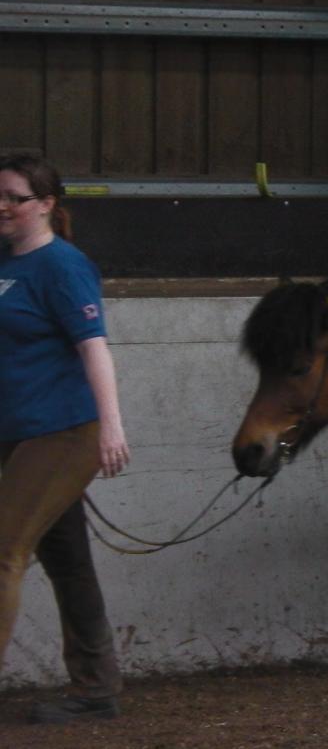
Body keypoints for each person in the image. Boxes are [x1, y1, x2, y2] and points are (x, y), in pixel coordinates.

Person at [0, 154, 129, 724]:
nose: (1, 207)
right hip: (17, 431)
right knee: (67, 556)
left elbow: (93, 348)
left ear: (47, 205)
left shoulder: (63, 266)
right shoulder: (7, 262)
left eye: (14, 197)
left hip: (63, 432)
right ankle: (96, 686)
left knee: (3, 551)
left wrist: (112, 428)